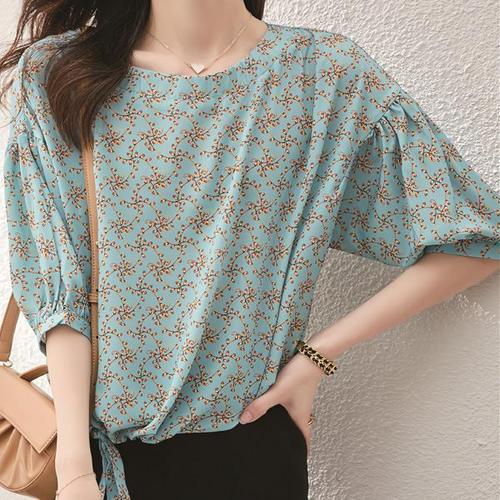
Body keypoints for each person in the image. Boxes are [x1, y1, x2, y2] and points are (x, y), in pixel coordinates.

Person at [1, 1, 499, 499]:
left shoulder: (323, 75)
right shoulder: (61, 73)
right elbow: (59, 289)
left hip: (252, 451)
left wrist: (317, 357)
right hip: (99, 464)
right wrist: (74, 469)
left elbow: (478, 238)